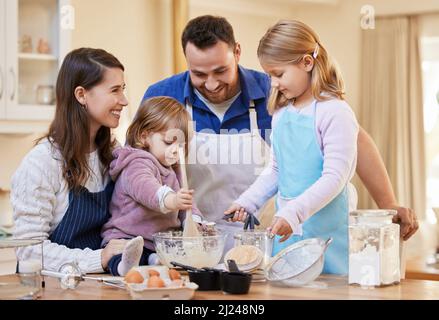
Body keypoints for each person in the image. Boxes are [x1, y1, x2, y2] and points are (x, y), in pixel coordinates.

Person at [142, 15, 418, 250]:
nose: (212, 84)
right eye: (199, 74)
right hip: (194, 240)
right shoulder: (163, 96)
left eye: (221, 71)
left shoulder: (276, 91)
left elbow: (354, 142)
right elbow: (140, 167)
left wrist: (389, 204)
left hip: (267, 236)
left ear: (237, 52)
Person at [225, 19, 358, 274]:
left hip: (327, 241)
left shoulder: (335, 112)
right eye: (269, 75)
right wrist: (247, 202)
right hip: (288, 238)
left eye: (279, 74)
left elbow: (335, 178)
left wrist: (294, 213)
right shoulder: (282, 113)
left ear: (307, 63)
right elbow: (276, 170)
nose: (273, 83)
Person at [11, 48, 132, 273]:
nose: (123, 101)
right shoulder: (42, 163)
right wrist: (100, 258)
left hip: (98, 287)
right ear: (81, 95)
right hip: (51, 289)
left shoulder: (113, 153)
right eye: (114, 90)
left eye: (122, 89)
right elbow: (29, 249)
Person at [100, 96, 204, 276]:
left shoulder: (174, 168)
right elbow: (147, 189)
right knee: (123, 254)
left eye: (180, 145)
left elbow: (186, 201)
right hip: (126, 238)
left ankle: (154, 260)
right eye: (168, 142)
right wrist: (172, 200)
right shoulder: (136, 162)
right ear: (144, 136)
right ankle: (124, 267)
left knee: (164, 257)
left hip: (157, 242)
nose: (174, 150)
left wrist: (195, 220)